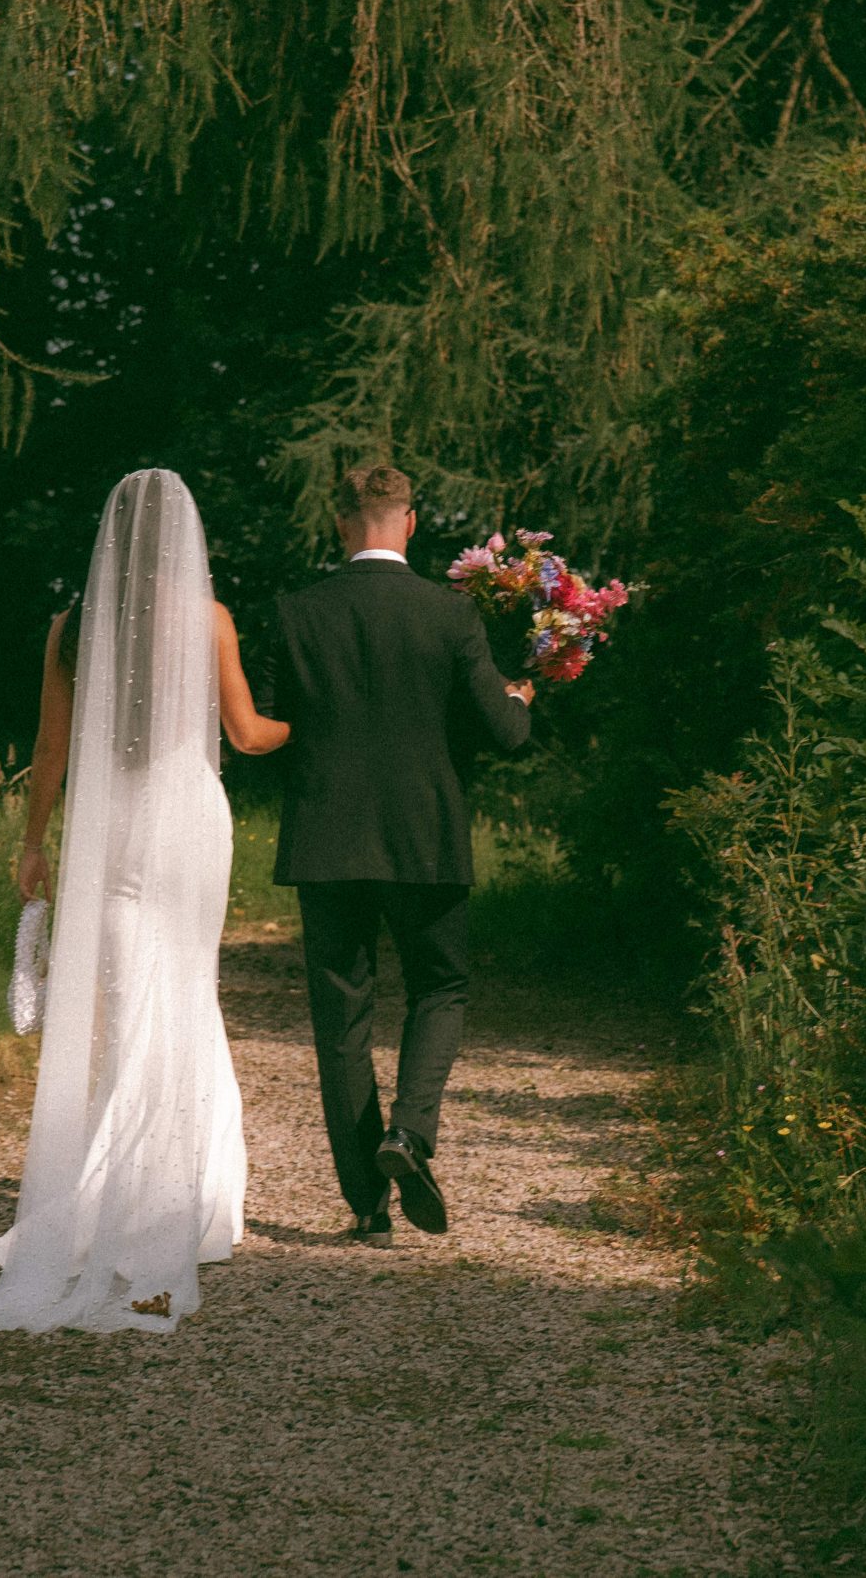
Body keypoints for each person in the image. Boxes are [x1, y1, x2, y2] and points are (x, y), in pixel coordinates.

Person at [0, 468, 287, 1333]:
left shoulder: (72, 628)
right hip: (187, 820)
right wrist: (318, 719)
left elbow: (51, 746)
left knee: (125, 1001)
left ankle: (120, 1190)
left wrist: (33, 841)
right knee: (186, 991)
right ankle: (190, 1195)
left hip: (111, 826)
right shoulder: (208, 619)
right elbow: (248, 735)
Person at [253, 463, 533, 1245]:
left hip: (326, 838)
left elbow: (264, 728)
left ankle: (368, 1207)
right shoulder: (450, 614)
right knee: (440, 985)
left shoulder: (295, 612)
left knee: (341, 1017)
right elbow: (505, 733)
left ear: (341, 523)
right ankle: (409, 1132)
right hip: (425, 835)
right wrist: (519, 697)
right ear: (409, 523)